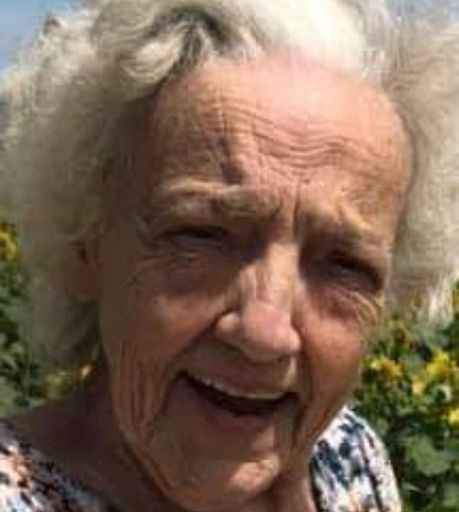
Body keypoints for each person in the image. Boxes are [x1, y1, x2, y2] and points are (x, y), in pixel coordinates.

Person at [0, 1, 458, 511]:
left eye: (345, 265)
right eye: (203, 235)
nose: (265, 335)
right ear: (86, 238)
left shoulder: (347, 460)